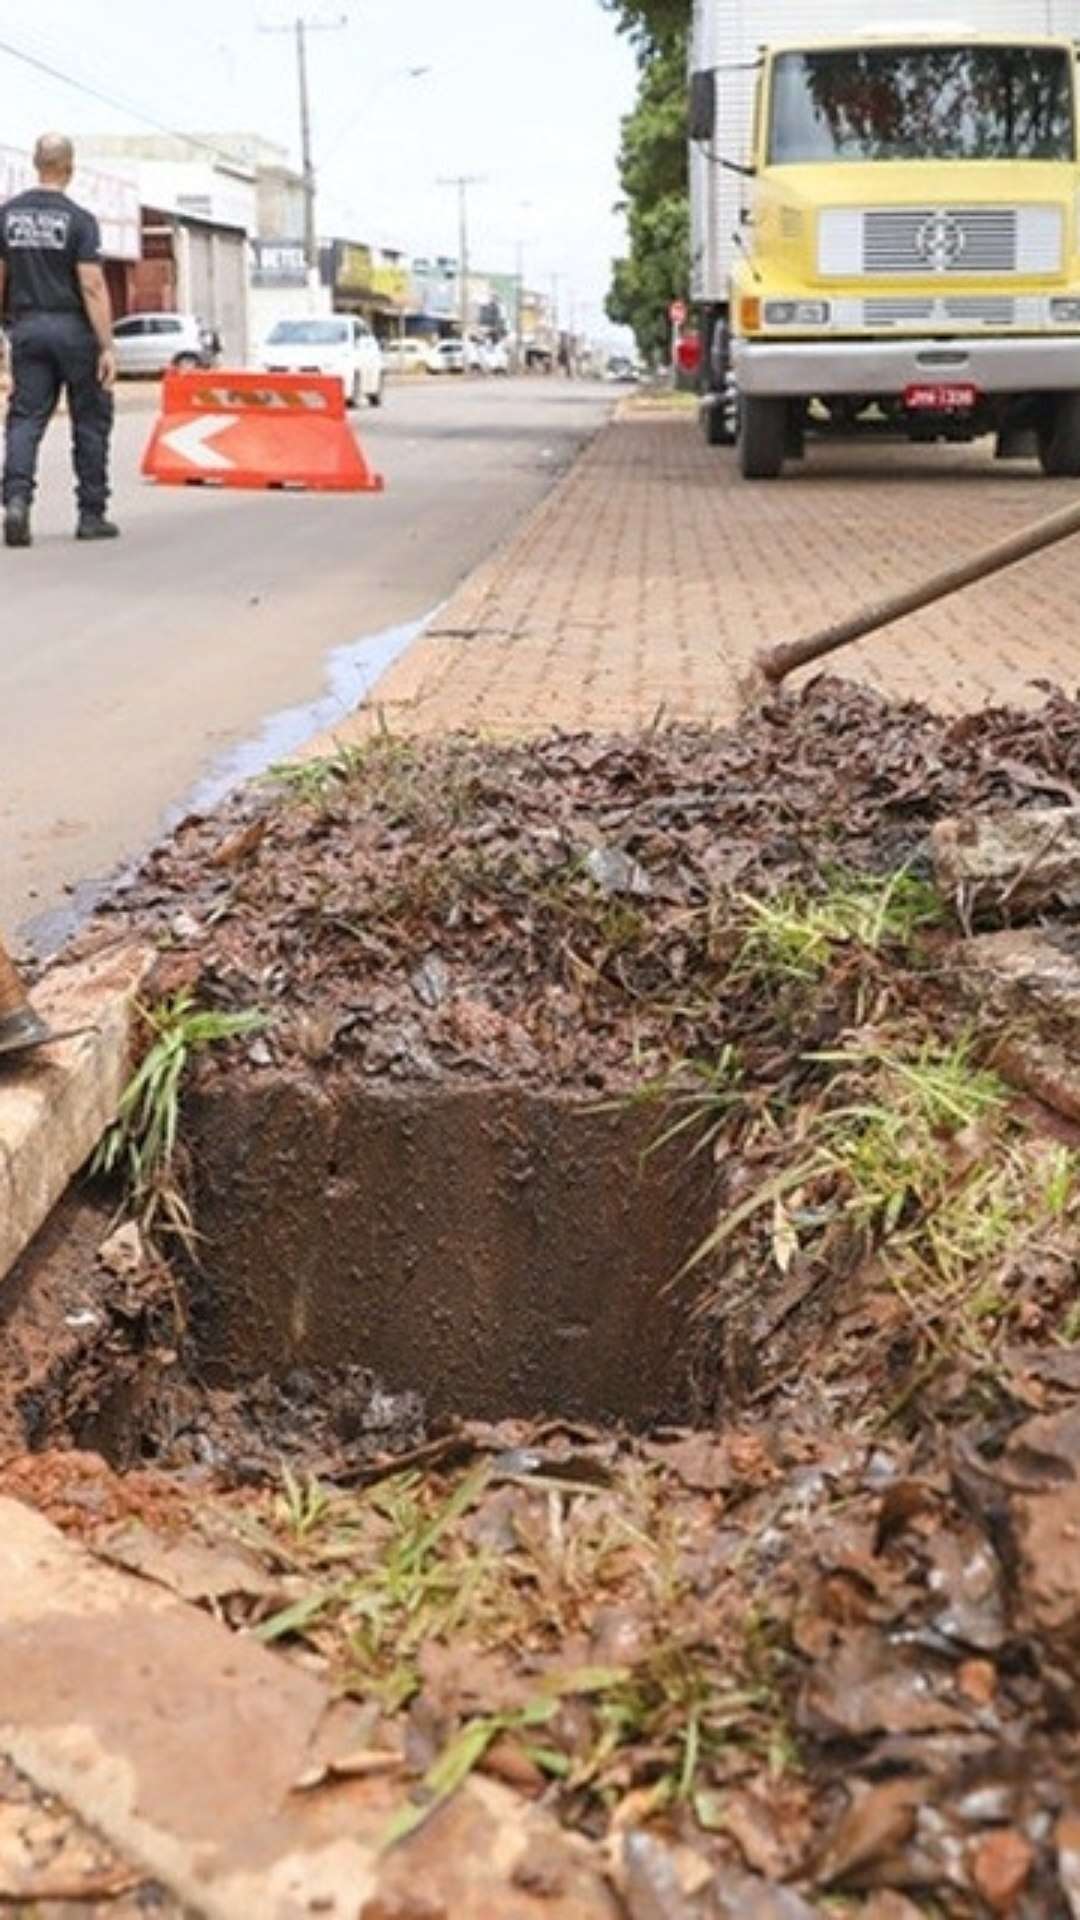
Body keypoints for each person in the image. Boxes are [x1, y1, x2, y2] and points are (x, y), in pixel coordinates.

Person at [0, 132, 118, 548]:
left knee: (25, 419)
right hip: (74, 330)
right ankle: (91, 514)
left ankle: (15, 502)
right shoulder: (79, 220)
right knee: (89, 420)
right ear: (69, 167)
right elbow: (92, 285)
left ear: (36, 163)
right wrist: (106, 346)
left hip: (28, 328)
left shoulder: (7, 215)